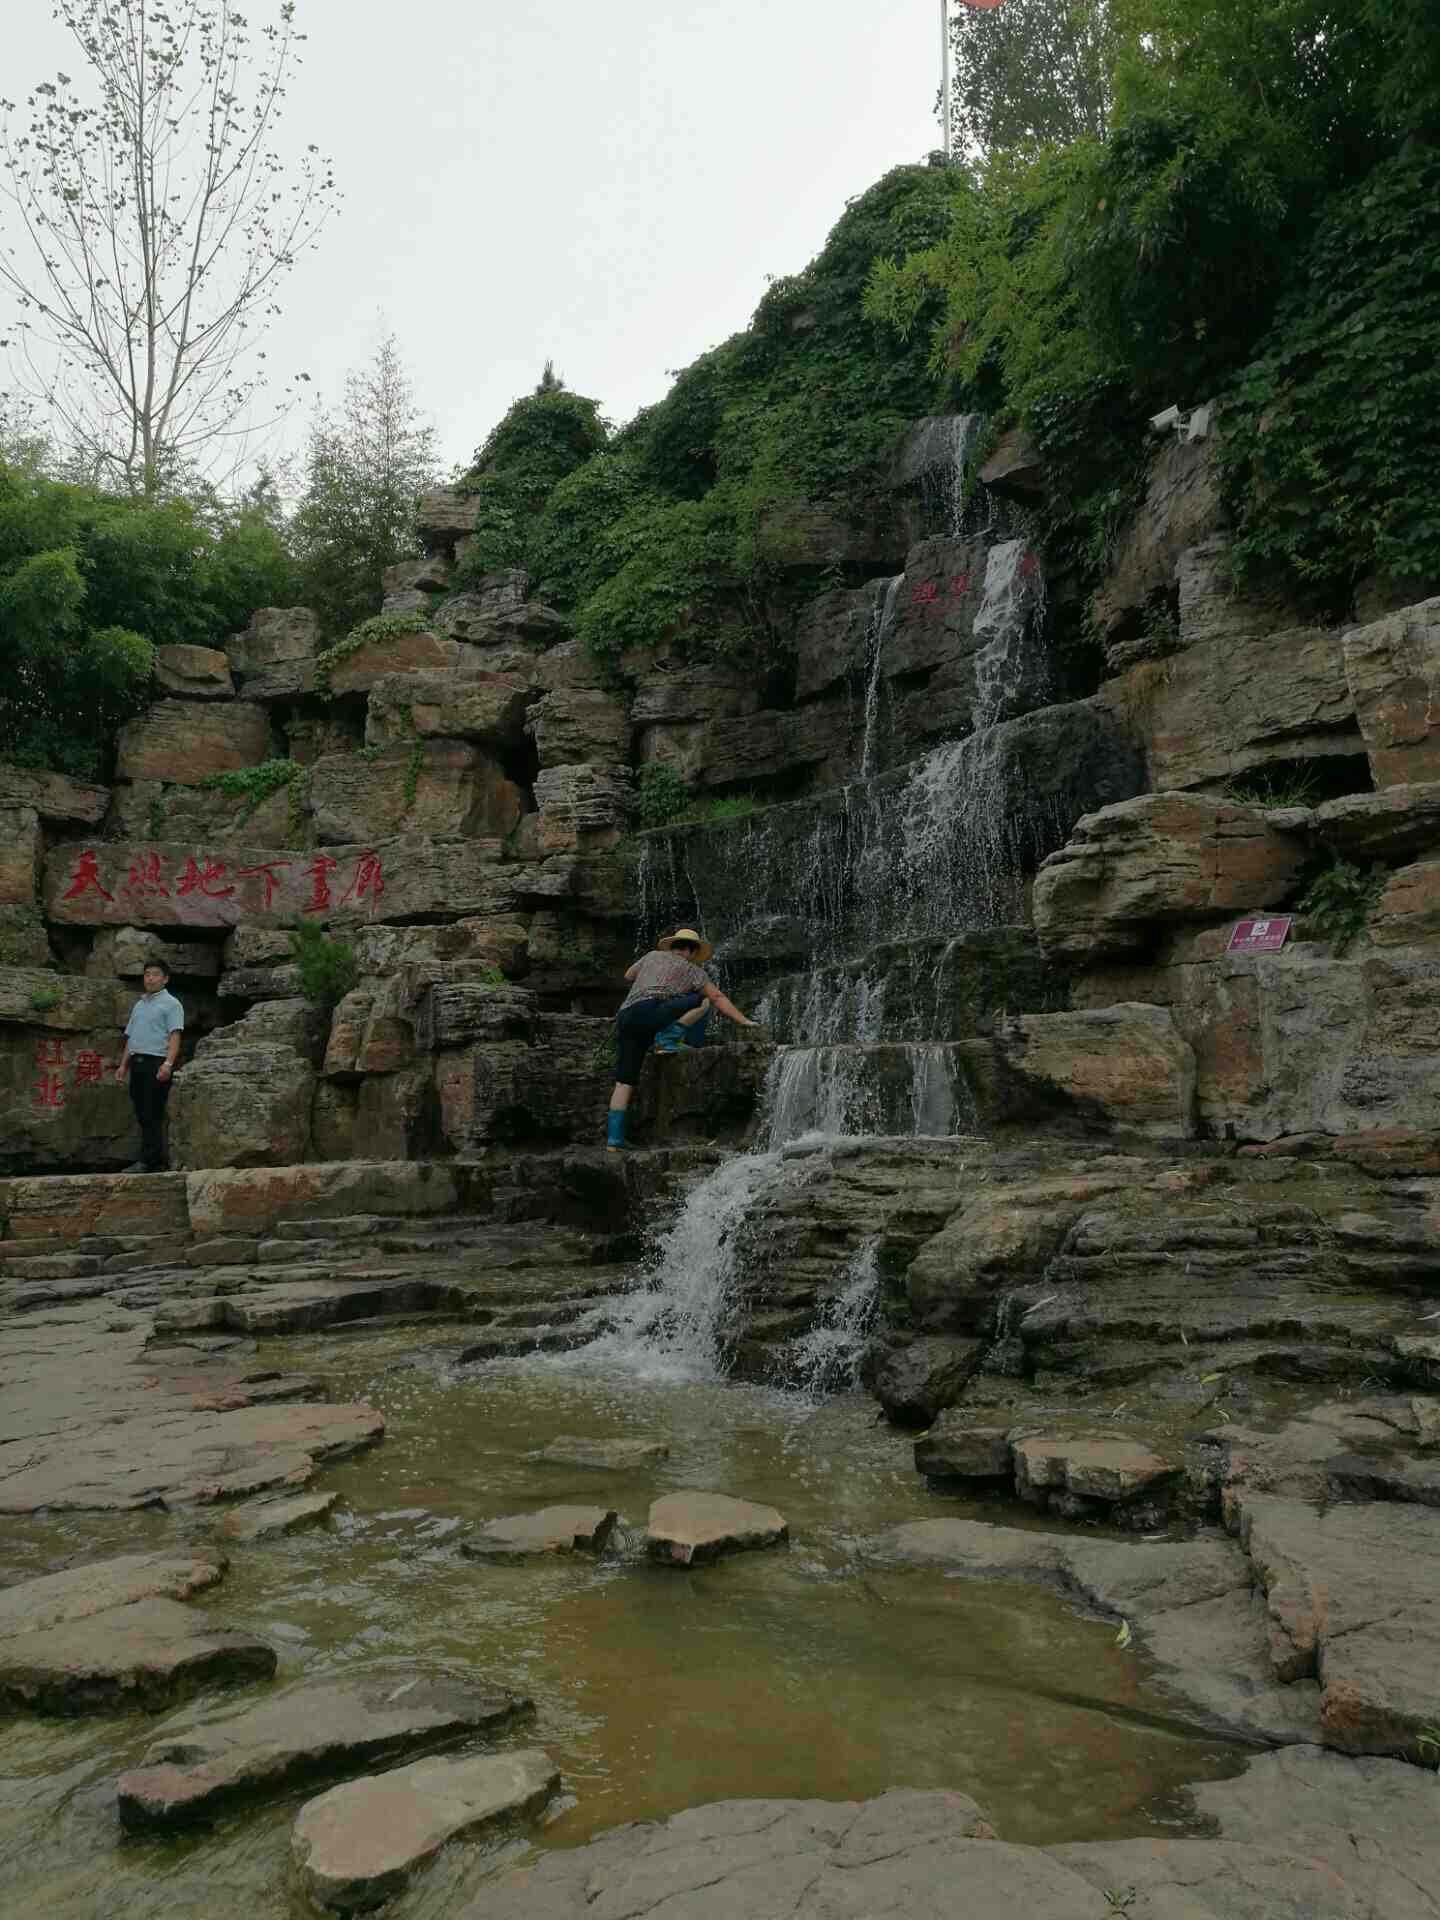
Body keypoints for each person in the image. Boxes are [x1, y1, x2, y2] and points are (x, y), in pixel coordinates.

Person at [607, 928, 759, 1151]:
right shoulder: (694, 971)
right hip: (652, 1012)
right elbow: (717, 997)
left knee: (624, 1081)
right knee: (702, 1000)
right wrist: (744, 1021)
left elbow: (629, 975)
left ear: (673, 947)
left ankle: (614, 1140)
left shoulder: (651, 956)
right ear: (691, 951)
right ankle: (668, 1038)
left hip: (626, 1016)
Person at [116, 959, 184, 1172]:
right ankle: (151, 1158)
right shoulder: (139, 1004)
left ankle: (150, 1161)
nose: (150, 978)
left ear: (165, 979)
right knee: (141, 1111)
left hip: (156, 1062)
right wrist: (122, 1065)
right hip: (137, 1062)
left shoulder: (172, 1004)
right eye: (147, 974)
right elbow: (131, 1037)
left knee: (152, 1112)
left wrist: (168, 1064)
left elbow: (175, 1035)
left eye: (155, 974)